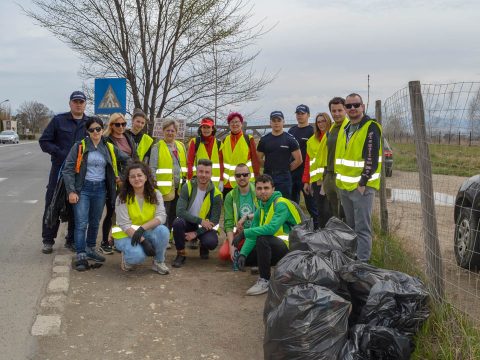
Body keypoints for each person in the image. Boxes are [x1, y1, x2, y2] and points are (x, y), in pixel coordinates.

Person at [62, 117, 129, 271]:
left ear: (102, 129)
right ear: (87, 131)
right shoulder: (80, 146)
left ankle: (90, 249)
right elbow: (68, 169)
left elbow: (127, 159)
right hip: (82, 189)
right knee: (81, 223)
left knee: (94, 221)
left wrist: (123, 176)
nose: (96, 132)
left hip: (100, 189)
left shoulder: (108, 147)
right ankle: (80, 254)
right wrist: (71, 191)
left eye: (98, 129)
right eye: (92, 129)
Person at [234, 174, 302, 295]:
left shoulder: (281, 204)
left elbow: (271, 229)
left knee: (262, 239)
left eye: (266, 188)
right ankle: (277, 271)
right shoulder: (261, 207)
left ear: (273, 189)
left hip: (293, 250)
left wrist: (244, 233)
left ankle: (265, 280)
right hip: (278, 246)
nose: (263, 192)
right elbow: (254, 231)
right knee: (247, 257)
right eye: (259, 189)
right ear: (255, 190)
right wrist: (243, 254)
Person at [39, 90, 88, 254]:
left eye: (81, 102)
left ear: (85, 104)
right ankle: (48, 240)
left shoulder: (89, 124)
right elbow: (44, 142)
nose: (78, 104)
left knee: (76, 207)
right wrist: (61, 153)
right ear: (70, 103)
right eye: (76, 101)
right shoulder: (58, 121)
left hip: (79, 173)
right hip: (59, 171)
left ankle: (71, 240)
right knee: (53, 204)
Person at [335, 93, 382, 262]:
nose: (352, 108)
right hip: (345, 187)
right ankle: (354, 258)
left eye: (356, 105)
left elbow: (372, 157)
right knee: (351, 226)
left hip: (361, 187)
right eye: (349, 106)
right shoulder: (346, 128)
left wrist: (363, 182)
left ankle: (363, 264)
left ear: (362, 106)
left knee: (363, 228)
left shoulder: (370, 126)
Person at [111, 162, 170, 274]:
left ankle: (158, 262)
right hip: (125, 234)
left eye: (139, 175)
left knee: (163, 231)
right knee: (138, 256)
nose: (136, 179)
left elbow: (161, 216)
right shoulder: (122, 198)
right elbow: (124, 225)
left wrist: (142, 229)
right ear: (128, 179)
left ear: (146, 177)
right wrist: (143, 242)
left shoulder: (156, 194)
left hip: (144, 231)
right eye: (132, 176)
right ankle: (128, 259)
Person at [171, 159, 222, 268]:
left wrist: (196, 233)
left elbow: (214, 220)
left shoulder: (217, 194)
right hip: (189, 222)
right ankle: (181, 254)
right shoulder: (187, 187)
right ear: (196, 172)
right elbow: (179, 211)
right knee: (177, 222)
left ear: (211, 174)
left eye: (207, 172)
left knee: (211, 242)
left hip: (205, 226)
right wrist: (200, 221)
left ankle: (203, 245)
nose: (203, 175)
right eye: (201, 171)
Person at [99, 113, 137, 255]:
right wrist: (118, 178)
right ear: (111, 125)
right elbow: (107, 162)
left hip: (129, 179)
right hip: (114, 181)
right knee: (112, 211)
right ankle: (108, 241)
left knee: (126, 212)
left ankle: (118, 240)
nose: (121, 127)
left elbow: (134, 157)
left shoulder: (128, 137)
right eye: (117, 124)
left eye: (123, 124)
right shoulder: (106, 139)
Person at [149, 119, 187, 236]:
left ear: (176, 132)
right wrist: (154, 186)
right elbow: (152, 168)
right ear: (163, 131)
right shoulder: (157, 147)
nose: (170, 133)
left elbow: (184, 166)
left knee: (175, 214)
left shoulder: (181, 146)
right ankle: (163, 236)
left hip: (179, 187)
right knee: (163, 214)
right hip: (163, 189)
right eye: (167, 130)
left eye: (172, 130)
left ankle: (172, 235)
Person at [256, 111, 302, 200]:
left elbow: (298, 160)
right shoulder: (264, 139)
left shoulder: (290, 139)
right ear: (270, 123)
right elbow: (258, 158)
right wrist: (267, 166)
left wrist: (286, 169)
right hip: (268, 175)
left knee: (284, 202)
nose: (276, 123)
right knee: (267, 200)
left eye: (279, 120)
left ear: (283, 122)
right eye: (274, 120)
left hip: (284, 177)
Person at [221, 163, 258, 263]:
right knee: (224, 254)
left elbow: (266, 212)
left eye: (245, 175)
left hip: (257, 232)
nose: (242, 177)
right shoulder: (230, 196)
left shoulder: (258, 191)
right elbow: (228, 223)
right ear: (235, 177)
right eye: (238, 175)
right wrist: (231, 246)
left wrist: (247, 217)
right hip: (240, 234)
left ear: (250, 176)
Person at [288, 104, 319, 224]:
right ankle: (296, 228)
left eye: (302, 113)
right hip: (293, 172)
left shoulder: (312, 131)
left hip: (306, 173)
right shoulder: (292, 131)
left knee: (311, 203)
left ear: (308, 115)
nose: (300, 116)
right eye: (298, 114)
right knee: (292, 203)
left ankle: (318, 227)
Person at [302, 112, 332, 228]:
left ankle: (331, 236)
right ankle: (321, 236)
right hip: (316, 181)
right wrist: (306, 181)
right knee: (320, 211)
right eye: (318, 122)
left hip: (329, 180)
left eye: (323, 121)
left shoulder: (333, 136)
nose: (321, 124)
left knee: (329, 211)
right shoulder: (311, 141)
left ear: (328, 121)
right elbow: (308, 163)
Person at [220, 112, 260, 198]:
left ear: (241, 124)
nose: (235, 124)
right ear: (229, 125)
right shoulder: (224, 140)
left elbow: (255, 160)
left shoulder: (249, 139)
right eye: (232, 122)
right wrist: (220, 179)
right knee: (228, 209)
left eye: (237, 122)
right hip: (227, 183)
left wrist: (257, 178)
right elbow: (221, 161)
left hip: (244, 181)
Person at [323, 97, 349, 219]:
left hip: (342, 175)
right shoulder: (330, 129)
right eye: (334, 111)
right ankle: (336, 234)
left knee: (345, 210)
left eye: (340, 110)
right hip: (329, 174)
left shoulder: (350, 128)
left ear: (345, 110)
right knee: (332, 209)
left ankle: (346, 235)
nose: (337, 114)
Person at [186, 117, 223, 189]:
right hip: (199, 181)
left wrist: (221, 180)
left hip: (215, 183)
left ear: (212, 129)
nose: (206, 130)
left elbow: (221, 163)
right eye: (204, 127)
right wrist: (190, 179)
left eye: (208, 127)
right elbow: (189, 162)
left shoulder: (219, 143)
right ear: (201, 129)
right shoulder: (195, 142)